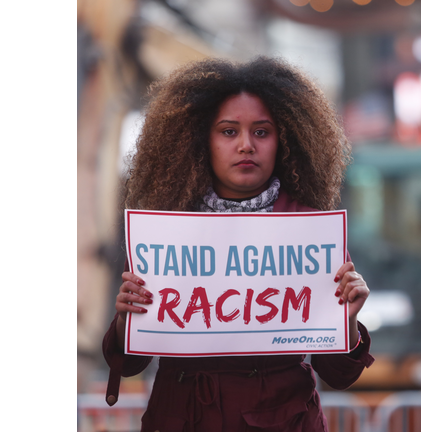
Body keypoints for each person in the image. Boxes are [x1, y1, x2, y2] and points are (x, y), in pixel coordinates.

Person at [102, 57, 374, 432]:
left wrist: (350, 323)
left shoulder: (311, 232)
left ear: (284, 140)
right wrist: (125, 321)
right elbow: (129, 365)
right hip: (180, 418)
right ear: (201, 140)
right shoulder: (165, 232)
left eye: (261, 132)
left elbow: (340, 376)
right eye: (229, 132)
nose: (246, 145)